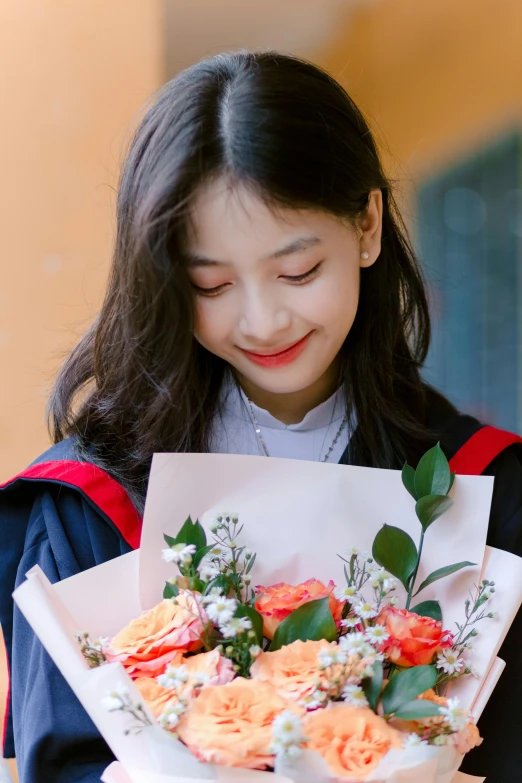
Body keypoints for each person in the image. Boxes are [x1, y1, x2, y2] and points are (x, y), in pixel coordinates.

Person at [1, 50, 521, 783]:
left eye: (298, 271)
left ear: (368, 223)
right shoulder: (89, 505)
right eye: (210, 284)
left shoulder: (483, 488)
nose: (263, 319)